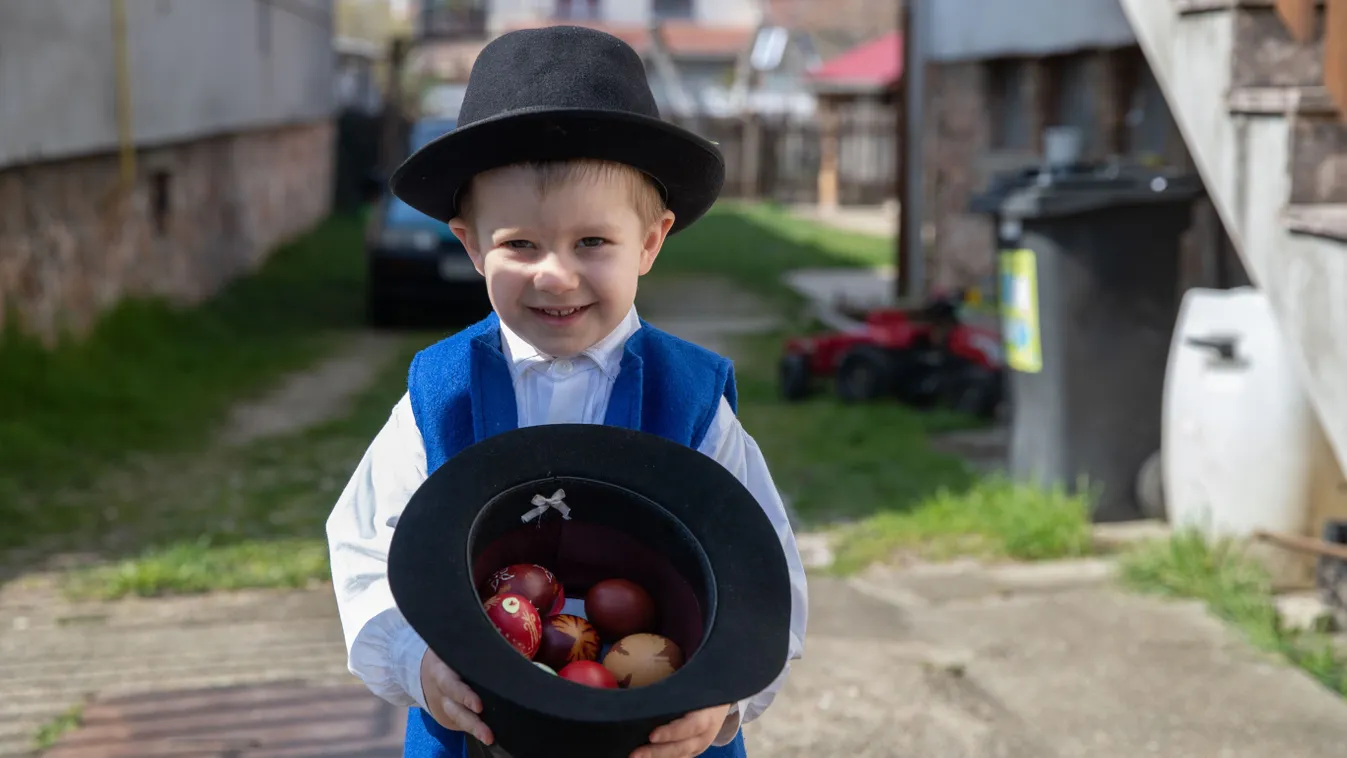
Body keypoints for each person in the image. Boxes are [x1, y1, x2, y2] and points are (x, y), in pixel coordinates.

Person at [325, 24, 808, 758]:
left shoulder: (692, 399)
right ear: (469, 244)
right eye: (520, 244)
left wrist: (725, 698)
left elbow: (761, 566)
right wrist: (412, 663)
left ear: (648, 243)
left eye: (592, 243)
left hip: (655, 720)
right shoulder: (441, 394)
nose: (555, 274)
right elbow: (365, 544)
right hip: (480, 719)